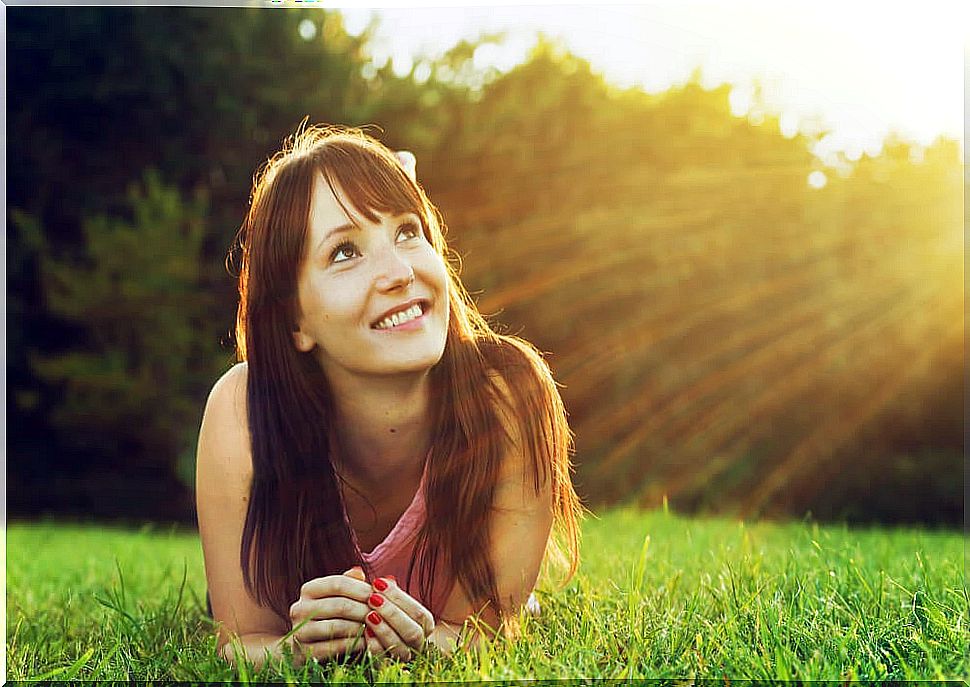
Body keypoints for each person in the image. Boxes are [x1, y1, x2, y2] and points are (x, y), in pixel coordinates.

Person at [195, 124, 583, 668]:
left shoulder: (510, 398)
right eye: (345, 252)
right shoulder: (243, 412)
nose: (400, 274)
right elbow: (239, 645)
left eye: (407, 232)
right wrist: (295, 651)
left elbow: (487, 635)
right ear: (294, 320)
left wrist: (429, 643)